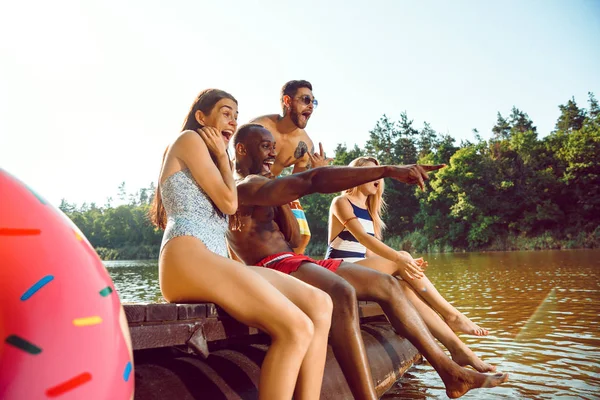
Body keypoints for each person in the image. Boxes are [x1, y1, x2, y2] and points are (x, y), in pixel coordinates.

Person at [227, 124, 509, 400]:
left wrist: (290, 196)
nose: (272, 155)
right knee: (342, 292)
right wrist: (388, 169)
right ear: (241, 149)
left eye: (273, 148)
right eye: (265, 147)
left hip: (294, 260)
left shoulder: (264, 189)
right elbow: (312, 182)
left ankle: (450, 372)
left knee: (387, 285)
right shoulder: (245, 187)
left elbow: (296, 237)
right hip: (273, 267)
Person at [149, 89, 333, 400]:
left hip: (213, 260)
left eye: (236, 114)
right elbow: (229, 203)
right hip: (186, 256)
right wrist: (223, 156)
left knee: (320, 303)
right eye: (225, 112)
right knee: (296, 328)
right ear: (201, 117)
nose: (233, 121)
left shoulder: (213, 161)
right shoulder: (189, 141)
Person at [326, 156, 489, 337]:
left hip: (358, 270)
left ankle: (446, 339)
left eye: (379, 175)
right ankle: (453, 316)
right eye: (373, 173)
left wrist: (405, 264)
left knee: (406, 284)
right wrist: (399, 259)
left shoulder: (369, 213)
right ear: (357, 175)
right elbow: (362, 238)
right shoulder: (341, 202)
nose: (378, 180)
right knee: (402, 256)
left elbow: (369, 255)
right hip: (337, 270)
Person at [251, 80, 332, 254]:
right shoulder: (259, 127)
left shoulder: (305, 144)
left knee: (303, 233)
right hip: (250, 185)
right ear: (287, 101)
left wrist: (315, 172)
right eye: (305, 100)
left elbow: (297, 186)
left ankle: (292, 268)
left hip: (277, 188)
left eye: (313, 102)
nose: (311, 106)